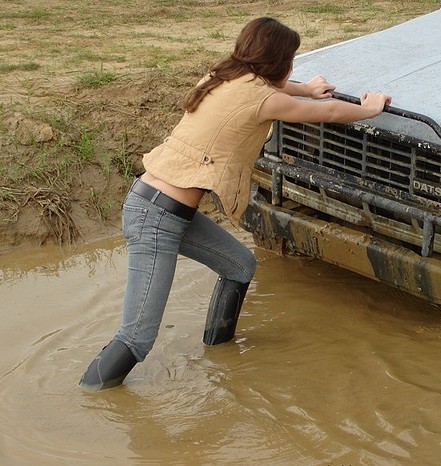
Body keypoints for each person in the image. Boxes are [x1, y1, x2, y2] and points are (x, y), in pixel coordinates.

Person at [79, 16, 391, 391]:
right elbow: (328, 113)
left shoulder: (223, 76)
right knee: (136, 338)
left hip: (160, 208)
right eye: (291, 61)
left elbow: (277, 92)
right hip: (157, 218)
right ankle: (89, 399)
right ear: (278, 63)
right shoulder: (263, 99)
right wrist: (370, 109)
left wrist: (306, 89)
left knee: (240, 265)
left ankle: (219, 354)